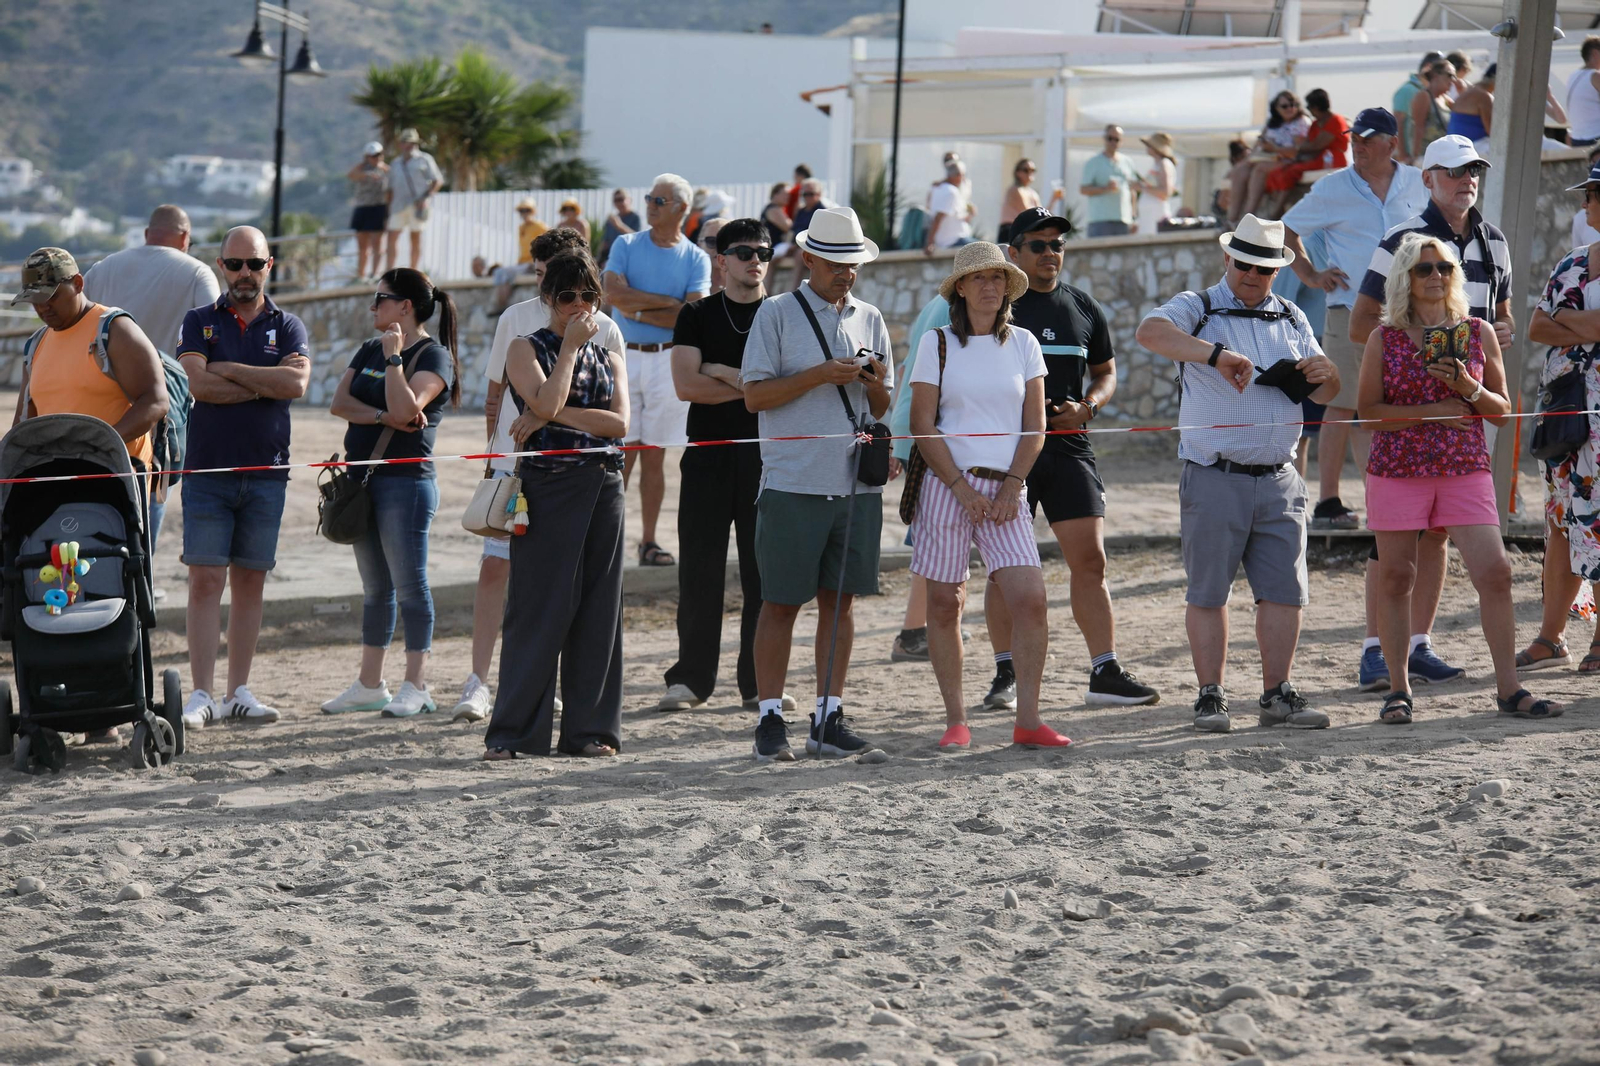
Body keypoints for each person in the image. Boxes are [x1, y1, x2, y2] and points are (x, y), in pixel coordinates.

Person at [1134, 215, 1340, 733]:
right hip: (1213, 473)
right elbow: (1149, 332)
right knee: (1208, 593)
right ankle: (1210, 695)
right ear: (1227, 259)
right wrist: (1217, 355)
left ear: (1276, 270)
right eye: (1243, 262)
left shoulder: (1293, 316)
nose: (1251, 273)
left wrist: (1327, 375)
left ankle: (1277, 694)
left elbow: (1326, 391)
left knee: (1285, 594)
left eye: (1263, 266)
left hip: (1280, 476)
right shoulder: (1197, 307)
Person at [1359, 234, 1561, 723]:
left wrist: (1466, 386)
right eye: (1424, 269)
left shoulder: (1477, 331)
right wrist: (1431, 411)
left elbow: (1502, 411)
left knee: (1496, 571)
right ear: (1405, 278)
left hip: (1463, 468)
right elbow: (1366, 413)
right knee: (1396, 576)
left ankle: (1509, 689)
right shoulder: (1383, 337)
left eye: (1445, 268)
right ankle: (1399, 691)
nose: (1435, 276)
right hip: (1398, 470)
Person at [1349, 134, 1513, 691]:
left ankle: (1418, 646)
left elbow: (1504, 314)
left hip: (1466, 420)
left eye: (1473, 169)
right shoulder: (1400, 240)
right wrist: (1410, 365)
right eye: (1453, 170)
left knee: (1444, 542)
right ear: (1428, 178)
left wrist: (1483, 351)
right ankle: (1380, 652)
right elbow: (1361, 322)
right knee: (1394, 557)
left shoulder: (1494, 241)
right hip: (1403, 440)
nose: (1466, 179)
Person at [452, 229, 624, 723]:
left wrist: (548, 413)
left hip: (589, 473)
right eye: (558, 285)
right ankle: (482, 684)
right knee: (507, 577)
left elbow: (617, 423)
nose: (575, 301)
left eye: (584, 292)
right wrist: (495, 459)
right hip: (525, 467)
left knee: (583, 595)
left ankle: (573, 709)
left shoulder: (607, 331)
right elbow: (495, 399)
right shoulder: (518, 324)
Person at [740, 207, 892, 762]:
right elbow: (754, 397)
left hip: (856, 485)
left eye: (853, 263)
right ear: (809, 259)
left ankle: (828, 716)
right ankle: (770, 718)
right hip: (792, 483)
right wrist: (821, 375)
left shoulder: (870, 317)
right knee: (779, 603)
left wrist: (872, 384)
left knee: (841, 604)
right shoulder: (776, 314)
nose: (846, 273)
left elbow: (884, 403)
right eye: (835, 263)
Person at [907, 242, 1069, 750]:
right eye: (978, 278)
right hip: (945, 484)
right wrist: (958, 485)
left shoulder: (1023, 343)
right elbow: (921, 425)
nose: (990, 285)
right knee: (944, 602)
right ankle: (957, 720)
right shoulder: (936, 343)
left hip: (1007, 488)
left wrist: (1011, 487)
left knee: (1031, 599)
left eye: (998, 277)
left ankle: (1028, 719)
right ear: (960, 287)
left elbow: (1035, 427)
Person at [175, 227, 311, 728]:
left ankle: (238, 691)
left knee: (250, 583)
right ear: (220, 266)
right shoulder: (198, 320)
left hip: (267, 471)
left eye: (253, 264)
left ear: (268, 265)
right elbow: (198, 386)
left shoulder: (289, 324)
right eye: (234, 264)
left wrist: (228, 368)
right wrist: (263, 382)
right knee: (205, 581)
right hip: (208, 469)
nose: (244, 274)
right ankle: (203, 694)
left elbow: (295, 383)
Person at [657, 219, 791, 715]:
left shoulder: (782, 315)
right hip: (708, 453)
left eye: (762, 251)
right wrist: (751, 385)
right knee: (699, 570)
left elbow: (784, 389)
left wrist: (721, 372)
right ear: (720, 259)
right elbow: (686, 388)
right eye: (741, 251)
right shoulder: (696, 315)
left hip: (768, 457)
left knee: (763, 574)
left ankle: (757, 682)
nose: (754, 259)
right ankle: (690, 679)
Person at [1282, 107, 1428, 535]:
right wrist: (1310, 274)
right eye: (1353, 138)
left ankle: (1385, 499)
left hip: (1409, 316)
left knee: (1388, 407)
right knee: (1340, 405)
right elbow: (1286, 230)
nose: (1357, 145)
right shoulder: (1332, 188)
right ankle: (1328, 501)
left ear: (1392, 144)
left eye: (1367, 138)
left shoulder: (1419, 182)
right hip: (1349, 312)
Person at [323, 270, 460, 719]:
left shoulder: (432, 355)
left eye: (380, 299)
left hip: (407, 483)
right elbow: (340, 404)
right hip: (363, 481)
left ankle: (416, 684)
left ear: (406, 306)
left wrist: (396, 361)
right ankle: (369, 684)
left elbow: (410, 410)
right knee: (374, 589)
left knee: (410, 586)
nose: (372, 307)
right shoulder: (368, 348)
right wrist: (384, 415)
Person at [82, 205, 222, 550]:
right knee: (151, 494)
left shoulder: (102, 269)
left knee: (95, 493)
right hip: (163, 405)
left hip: (100, 400)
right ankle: (142, 580)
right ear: (185, 238)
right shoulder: (197, 273)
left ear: (148, 234)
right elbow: (215, 337)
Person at [602, 173, 711, 567]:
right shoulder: (626, 243)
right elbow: (613, 294)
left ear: (681, 209)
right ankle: (608, 540)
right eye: (649, 197)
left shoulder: (696, 256)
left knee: (654, 455)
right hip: (625, 358)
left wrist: (640, 307)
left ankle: (647, 542)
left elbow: (693, 313)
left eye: (659, 200)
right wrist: (667, 304)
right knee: (620, 452)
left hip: (667, 361)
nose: (650, 204)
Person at [1519, 162, 1600, 674]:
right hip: (1569, 420)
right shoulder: (1572, 262)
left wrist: (1567, 322)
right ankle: (1552, 637)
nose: (1589, 204)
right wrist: (1585, 324)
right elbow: (1535, 327)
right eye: (1592, 195)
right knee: (1561, 525)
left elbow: (1556, 323)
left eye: (1594, 194)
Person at [1230, 91, 1311, 224]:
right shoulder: (1272, 123)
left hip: (1288, 159)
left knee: (1259, 170)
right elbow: (1259, 145)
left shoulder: (1300, 122)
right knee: (1240, 169)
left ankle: (1248, 215)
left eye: (1293, 105)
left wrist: (1274, 149)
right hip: (1269, 157)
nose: (1290, 109)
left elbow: (1298, 151)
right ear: (1276, 108)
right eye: (1285, 106)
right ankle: (1232, 218)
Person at [1263, 89, 1349, 206]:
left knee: (1292, 171)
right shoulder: (1316, 124)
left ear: (1316, 107)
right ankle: (1279, 207)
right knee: (1279, 172)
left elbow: (1316, 145)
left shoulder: (1335, 121)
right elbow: (1308, 145)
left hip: (1330, 159)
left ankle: (1277, 212)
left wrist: (1296, 148)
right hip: (1316, 158)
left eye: (1309, 106)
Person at [385, 128, 443, 272]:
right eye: (406, 142)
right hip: (398, 205)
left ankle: (413, 271)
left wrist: (426, 198)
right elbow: (390, 188)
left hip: (418, 205)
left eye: (412, 142)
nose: (409, 145)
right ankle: (389, 272)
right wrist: (388, 209)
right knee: (392, 237)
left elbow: (438, 180)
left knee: (415, 238)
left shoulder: (425, 159)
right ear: (401, 144)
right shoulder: (395, 163)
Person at [1081, 125, 1142, 237]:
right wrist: (1105, 188)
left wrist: (1134, 218)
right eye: (1110, 138)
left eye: (1117, 139)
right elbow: (1083, 189)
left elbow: (1132, 191)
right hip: (1100, 220)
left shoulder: (1128, 162)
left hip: (1124, 220)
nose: (1113, 142)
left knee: (1124, 254)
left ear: (1121, 141)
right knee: (1098, 253)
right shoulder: (1093, 163)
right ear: (1104, 139)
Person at [347, 142, 390, 280]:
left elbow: (393, 180)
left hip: (379, 208)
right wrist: (365, 167)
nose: (376, 158)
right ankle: (361, 275)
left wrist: (381, 166)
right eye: (372, 156)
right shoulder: (361, 170)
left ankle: (375, 274)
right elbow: (351, 175)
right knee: (363, 245)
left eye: (378, 155)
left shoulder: (386, 170)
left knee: (378, 243)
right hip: (363, 208)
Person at [1394, 51, 1446, 164]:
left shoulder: (1430, 92)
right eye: (1442, 72)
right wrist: (1404, 155)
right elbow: (1398, 122)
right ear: (1428, 67)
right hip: (1415, 159)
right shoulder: (1408, 90)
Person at [1407, 60, 1455, 164]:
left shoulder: (1446, 100)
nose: (1453, 80)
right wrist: (1415, 156)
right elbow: (1418, 127)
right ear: (1435, 75)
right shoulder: (1424, 96)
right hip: (1427, 157)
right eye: (1450, 75)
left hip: (1444, 156)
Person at [924, 159, 975, 254]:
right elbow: (938, 217)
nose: (963, 179)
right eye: (962, 175)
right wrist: (930, 243)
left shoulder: (938, 188)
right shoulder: (951, 192)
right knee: (985, 250)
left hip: (951, 240)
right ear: (957, 175)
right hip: (952, 241)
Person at [786, 179, 826, 289]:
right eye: (805, 194)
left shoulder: (822, 212)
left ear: (819, 195)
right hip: (797, 245)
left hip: (812, 247)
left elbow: (818, 234)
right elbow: (794, 230)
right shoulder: (801, 211)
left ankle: (795, 289)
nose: (807, 197)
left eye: (811, 194)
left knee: (800, 256)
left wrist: (797, 245)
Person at [1135, 133, 1177, 234]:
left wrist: (1141, 188)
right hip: (1149, 218)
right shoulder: (1157, 164)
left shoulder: (1164, 163)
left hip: (1155, 217)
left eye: (1149, 145)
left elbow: (1165, 192)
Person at [997, 158, 1043, 245]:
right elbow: (1030, 213)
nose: (1030, 172)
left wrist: (1054, 199)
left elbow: (1041, 215)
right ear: (1018, 173)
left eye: (1033, 170)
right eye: (1026, 170)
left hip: (1025, 230)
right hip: (1010, 230)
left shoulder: (1033, 193)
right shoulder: (1014, 190)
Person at [1568, 37, 1600, 148]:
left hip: (1577, 139)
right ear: (1595, 53)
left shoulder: (1573, 76)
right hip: (1596, 138)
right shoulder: (1595, 76)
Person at [600, 189, 640, 266]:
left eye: (621, 199)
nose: (619, 203)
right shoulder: (611, 220)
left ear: (629, 200)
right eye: (616, 200)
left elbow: (636, 238)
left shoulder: (635, 217)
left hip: (629, 257)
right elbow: (605, 242)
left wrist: (619, 226)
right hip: (612, 257)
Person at [696, 218, 728, 294]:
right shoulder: (688, 279)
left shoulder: (743, 280)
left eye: (724, 242)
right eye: (711, 241)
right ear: (699, 245)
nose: (718, 248)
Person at [762, 182, 794, 251]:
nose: (788, 197)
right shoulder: (773, 209)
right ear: (775, 194)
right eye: (785, 194)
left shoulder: (773, 208)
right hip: (773, 249)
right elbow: (789, 227)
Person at [516, 199, 549, 264]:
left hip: (534, 262)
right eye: (522, 210)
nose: (525, 213)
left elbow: (548, 245)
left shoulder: (540, 226)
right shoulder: (521, 227)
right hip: (523, 262)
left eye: (527, 210)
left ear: (533, 211)